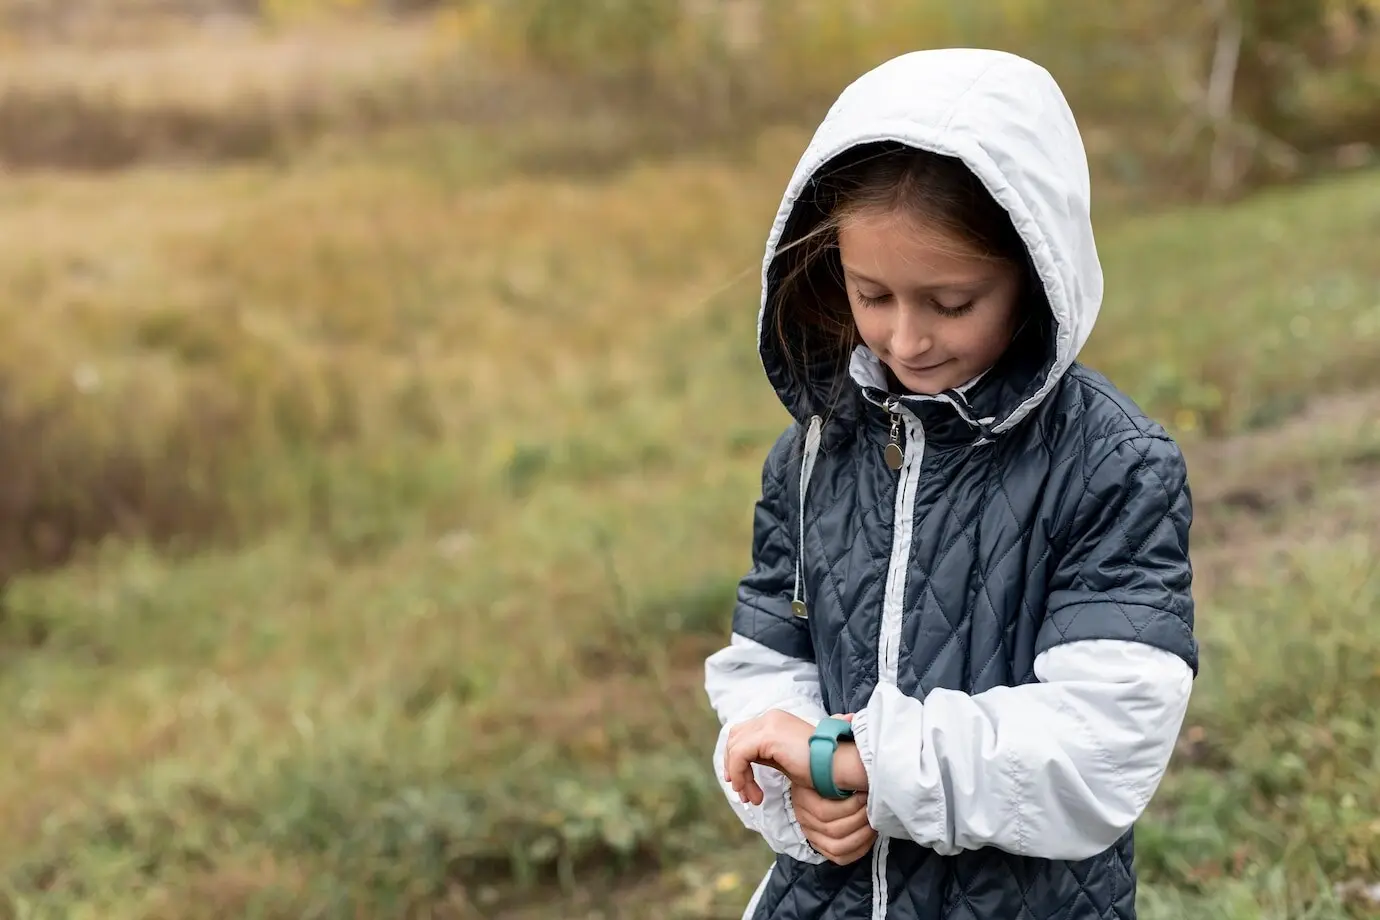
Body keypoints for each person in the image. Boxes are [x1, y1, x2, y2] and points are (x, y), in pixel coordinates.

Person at [703, 48, 1199, 920]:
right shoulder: (815, 454)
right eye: (872, 294)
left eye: (952, 302)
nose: (906, 338)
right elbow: (764, 667)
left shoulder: (1113, 465)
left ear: (1034, 277)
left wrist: (855, 758)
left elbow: (1099, 742)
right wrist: (794, 780)